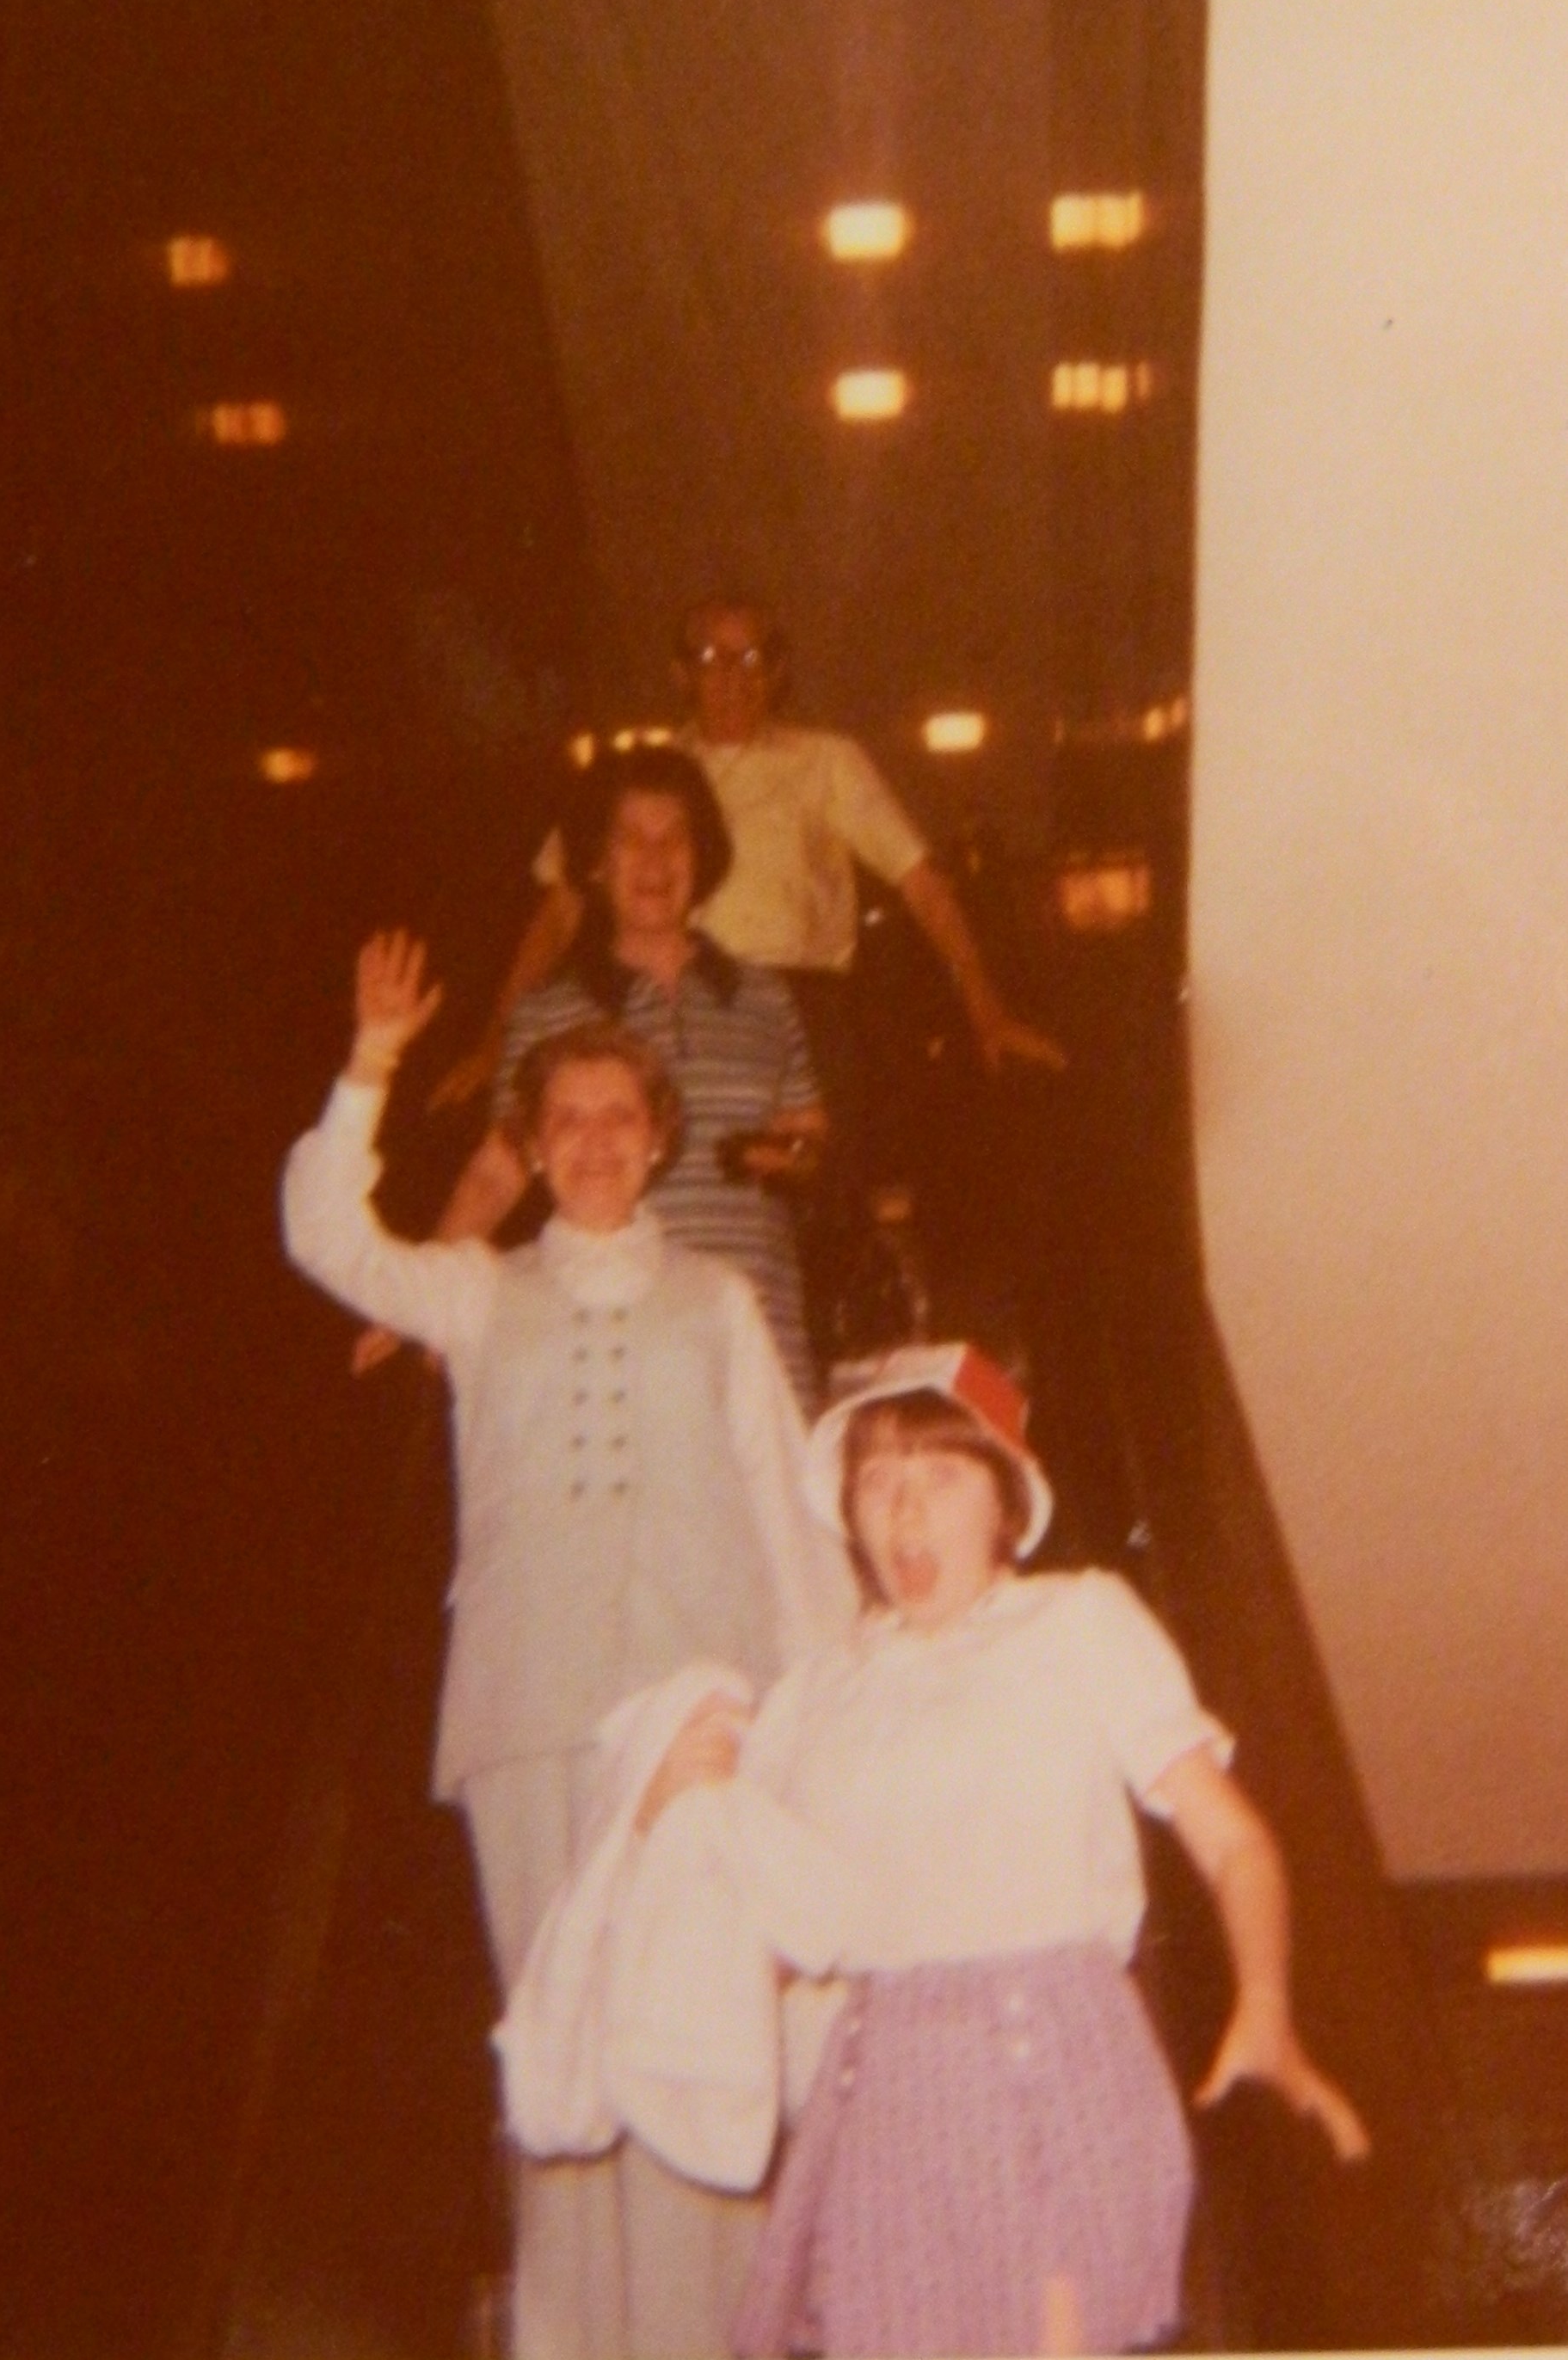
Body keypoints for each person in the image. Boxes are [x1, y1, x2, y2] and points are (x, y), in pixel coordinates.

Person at [280, 931, 857, 2360]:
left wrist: (822, 1708)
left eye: (617, 1117)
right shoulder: (480, 1293)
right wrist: (370, 1063)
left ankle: (721, 2336)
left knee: (695, 2027)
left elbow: (786, 1508)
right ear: (533, 1150)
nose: (593, 1142)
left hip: (695, 1718)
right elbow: (326, 1237)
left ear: (655, 1141)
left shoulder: (715, 1303)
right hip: (525, 1713)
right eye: (566, 1121)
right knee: (560, 2040)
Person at [637, 1343, 1368, 2359]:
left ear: (1005, 1505)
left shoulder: (1077, 1622)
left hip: (1049, 2054)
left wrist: (1268, 2001)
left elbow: (1235, 1843)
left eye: (941, 1475)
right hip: (876, 2086)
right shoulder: (812, 1694)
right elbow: (764, 1942)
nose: (905, 1511)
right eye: (877, 1480)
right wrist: (667, 1818)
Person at [429, 595, 1065, 1146]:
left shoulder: (828, 762)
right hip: (664, 1008)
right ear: (681, 673)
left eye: (752, 657)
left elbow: (923, 888)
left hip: (803, 1015)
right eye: (712, 658)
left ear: (777, 671)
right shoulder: (646, 773)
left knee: (813, 1195)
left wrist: (986, 1009)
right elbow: (559, 912)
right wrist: (493, 1041)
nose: (733, 676)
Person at [380, 746, 825, 1407]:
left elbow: (809, 1144)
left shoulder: (763, 997)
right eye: (630, 839)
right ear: (594, 862)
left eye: (674, 838)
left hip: (761, 1342)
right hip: (618, 1352)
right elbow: (497, 1171)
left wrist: (787, 1156)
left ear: (701, 858)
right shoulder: (549, 1011)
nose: (654, 859)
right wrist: (416, 1293)